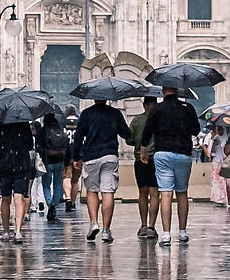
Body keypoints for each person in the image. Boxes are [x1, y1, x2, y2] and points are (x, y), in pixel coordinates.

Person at [147, 91, 201, 244]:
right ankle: (183, 232)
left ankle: (166, 234)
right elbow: (196, 130)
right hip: (183, 154)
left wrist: (144, 147)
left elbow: (148, 130)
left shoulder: (157, 109)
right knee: (182, 192)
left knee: (165, 193)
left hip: (162, 153)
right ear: (178, 91)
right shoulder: (187, 107)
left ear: (163, 91)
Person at [73, 95, 126, 242]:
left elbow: (78, 137)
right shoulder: (115, 113)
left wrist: (76, 156)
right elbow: (126, 133)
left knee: (92, 190)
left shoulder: (86, 113)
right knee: (108, 191)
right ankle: (106, 230)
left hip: (91, 156)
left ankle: (94, 223)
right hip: (110, 155)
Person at [0, 117, 37, 244]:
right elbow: (29, 145)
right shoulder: (23, 124)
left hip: (4, 166)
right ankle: (18, 232)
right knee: (19, 197)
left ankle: (5, 232)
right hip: (21, 165)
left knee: (5, 199)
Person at [130, 95, 161, 238]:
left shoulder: (136, 120)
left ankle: (142, 225)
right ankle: (151, 226)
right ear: (156, 104)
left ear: (144, 105)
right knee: (155, 193)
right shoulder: (160, 119)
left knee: (142, 193)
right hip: (156, 159)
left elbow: (129, 139)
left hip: (139, 160)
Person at [37, 113, 70, 222]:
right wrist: (66, 162)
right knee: (58, 184)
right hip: (59, 161)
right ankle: (54, 206)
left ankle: (49, 202)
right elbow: (67, 146)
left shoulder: (42, 131)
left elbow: (38, 146)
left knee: (46, 184)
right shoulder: (60, 130)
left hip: (47, 161)